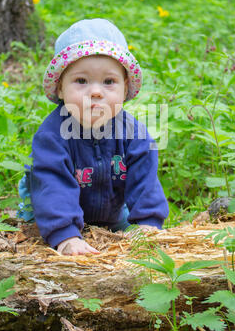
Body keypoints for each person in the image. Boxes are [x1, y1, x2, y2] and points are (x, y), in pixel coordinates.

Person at [16, 18, 169, 255]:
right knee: (35, 233)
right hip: (51, 214)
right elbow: (51, 184)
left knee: (135, 238)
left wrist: (148, 222)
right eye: (81, 81)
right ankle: (60, 231)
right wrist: (65, 235)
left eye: (109, 81)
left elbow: (145, 180)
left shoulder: (133, 133)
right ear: (60, 88)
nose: (96, 91)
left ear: (125, 87)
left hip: (111, 216)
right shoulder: (52, 135)